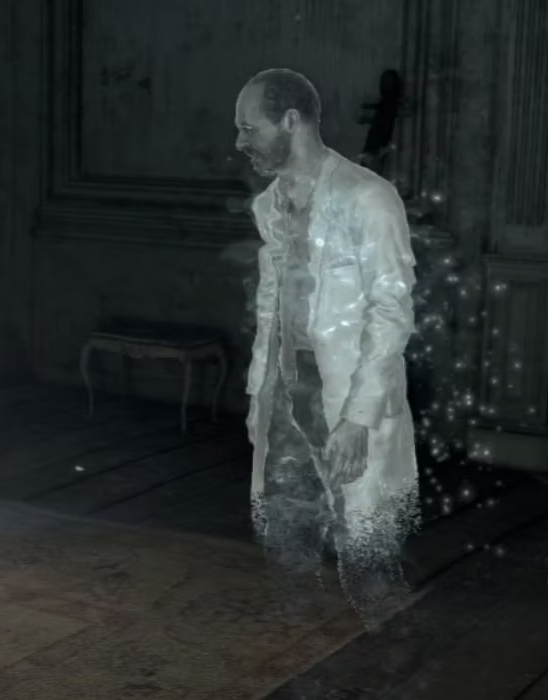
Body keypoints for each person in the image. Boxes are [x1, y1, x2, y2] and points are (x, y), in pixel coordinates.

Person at [235, 68, 419, 626]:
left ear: (291, 120)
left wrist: (359, 418)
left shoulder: (369, 198)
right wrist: (258, 394)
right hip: (286, 393)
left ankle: (390, 651)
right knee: (287, 536)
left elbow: (391, 313)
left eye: (249, 128)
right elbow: (270, 308)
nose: (240, 142)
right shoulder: (269, 205)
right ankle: (295, 648)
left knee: (367, 548)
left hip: (347, 396)